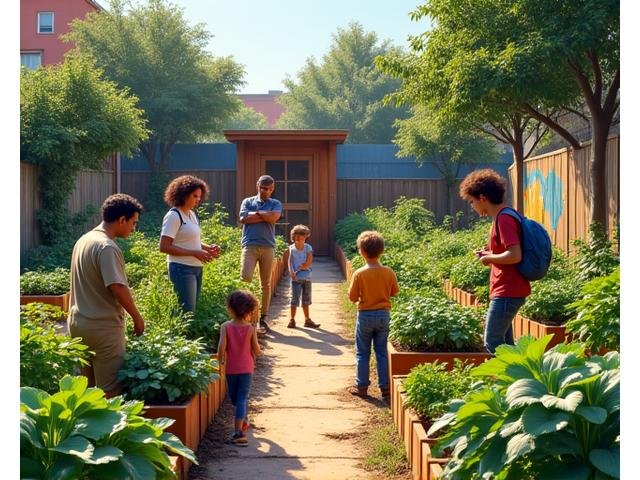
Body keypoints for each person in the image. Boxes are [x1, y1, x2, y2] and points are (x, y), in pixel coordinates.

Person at [67, 194, 145, 398]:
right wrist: (137, 317)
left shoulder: (84, 240)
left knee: (86, 393)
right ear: (122, 220)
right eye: (133, 223)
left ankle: (85, 430)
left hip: (78, 324)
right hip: (103, 328)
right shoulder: (107, 247)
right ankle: (110, 431)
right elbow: (117, 287)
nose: (133, 228)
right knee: (109, 393)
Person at [459, 168, 531, 354]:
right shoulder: (504, 215)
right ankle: (513, 382)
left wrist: (489, 258)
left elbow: (515, 255)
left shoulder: (504, 219)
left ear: (482, 198)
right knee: (506, 347)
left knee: (492, 342)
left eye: (472, 201)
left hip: (507, 290)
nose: (472, 206)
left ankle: (506, 382)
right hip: (508, 289)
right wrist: (490, 252)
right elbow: (509, 251)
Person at [347, 231, 399, 399]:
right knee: (382, 351)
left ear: (361, 251)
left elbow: (352, 297)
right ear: (382, 250)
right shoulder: (389, 272)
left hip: (365, 316)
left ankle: (362, 386)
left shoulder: (359, 273)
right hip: (384, 315)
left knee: (362, 352)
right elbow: (395, 292)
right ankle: (385, 387)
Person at [160, 175, 221, 313]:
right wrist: (194, 253)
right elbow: (164, 247)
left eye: (199, 196)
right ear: (183, 194)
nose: (198, 200)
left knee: (190, 311)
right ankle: (182, 335)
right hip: (181, 269)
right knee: (186, 311)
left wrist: (208, 248)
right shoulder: (174, 216)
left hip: (196, 268)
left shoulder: (191, 214)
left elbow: (191, 241)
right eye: (194, 196)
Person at [217, 290, 263, 446]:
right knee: (240, 398)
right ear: (250, 310)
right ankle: (243, 421)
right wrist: (260, 351)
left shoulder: (225, 327)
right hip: (247, 369)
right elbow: (256, 349)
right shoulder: (250, 328)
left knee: (236, 398)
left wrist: (219, 362)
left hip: (231, 369)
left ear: (230, 308)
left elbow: (221, 348)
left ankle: (239, 433)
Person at [238, 175, 282, 334]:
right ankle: (245, 314)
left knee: (266, 284)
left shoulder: (275, 203)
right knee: (246, 278)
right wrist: (265, 214)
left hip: (268, 246)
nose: (267, 191)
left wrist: (256, 214)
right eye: (264, 188)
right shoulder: (247, 201)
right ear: (258, 186)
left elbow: (274, 218)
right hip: (249, 245)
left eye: (270, 189)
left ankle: (262, 318)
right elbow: (243, 219)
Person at [286, 224, 320, 329]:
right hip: (296, 278)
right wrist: (291, 271)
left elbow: (310, 259)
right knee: (294, 299)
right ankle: (292, 320)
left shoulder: (307, 247)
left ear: (305, 237)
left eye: (302, 237)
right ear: (293, 237)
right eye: (297, 237)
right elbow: (289, 261)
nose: (299, 239)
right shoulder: (291, 248)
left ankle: (307, 320)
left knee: (306, 299)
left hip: (307, 277)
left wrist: (306, 265)